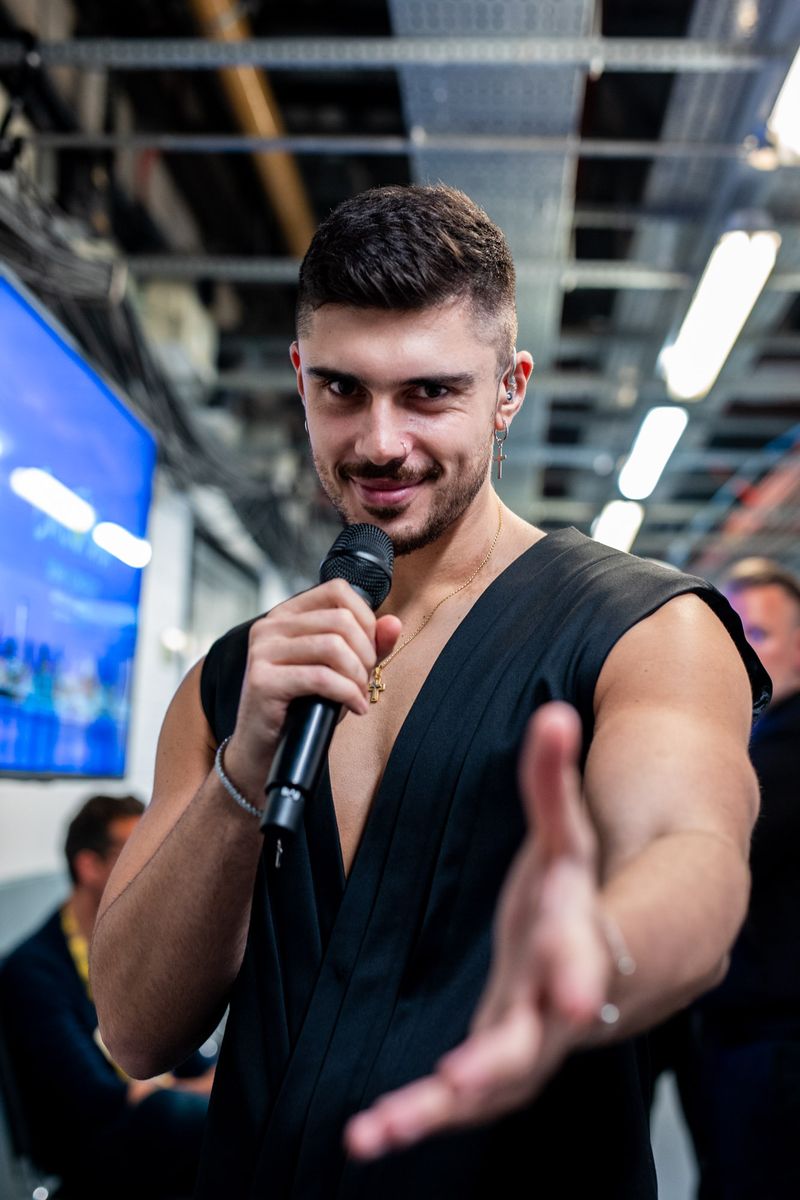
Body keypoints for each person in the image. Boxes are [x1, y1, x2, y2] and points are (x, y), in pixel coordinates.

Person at [90, 184, 769, 1199]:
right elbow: (136, 1030)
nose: (378, 442)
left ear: (509, 389)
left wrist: (605, 950)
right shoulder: (234, 678)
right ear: (298, 377)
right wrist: (243, 768)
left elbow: (693, 853)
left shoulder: (641, 629)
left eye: (428, 394)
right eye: (341, 390)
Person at [657, 559, 800, 1200]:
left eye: (761, 635)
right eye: (733, 637)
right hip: (732, 1025)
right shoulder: (754, 737)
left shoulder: (782, 755)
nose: (744, 656)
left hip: (772, 1038)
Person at [0, 794, 214, 1199]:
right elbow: (96, 1098)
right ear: (89, 867)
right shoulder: (32, 972)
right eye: (136, 850)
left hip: (153, 1128)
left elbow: (189, 1059)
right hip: (90, 1152)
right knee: (190, 1119)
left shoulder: (133, 952)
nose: (155, 864)